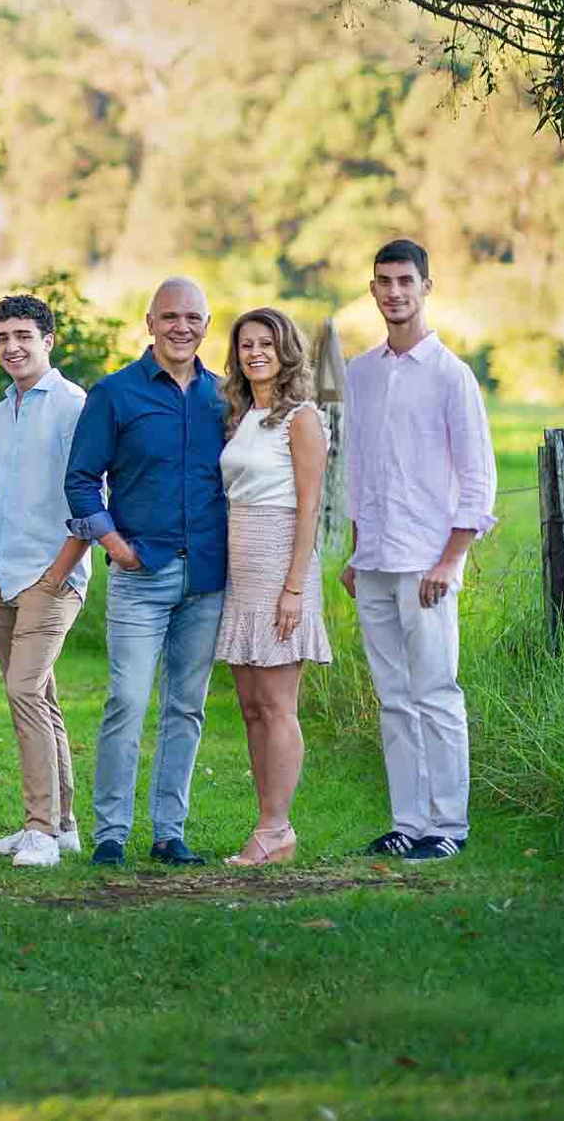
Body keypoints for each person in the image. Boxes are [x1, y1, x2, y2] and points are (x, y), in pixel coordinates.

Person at [340, 238, 495, 864]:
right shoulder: (361, 372)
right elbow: (358, 472)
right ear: (372, 289)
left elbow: (477, 479)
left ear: (426, 286)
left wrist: (451, 559)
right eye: (383, 281)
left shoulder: (451, 375)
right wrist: (355, 552)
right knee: (393, 697)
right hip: (374, 561)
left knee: (436, 692)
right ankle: (407, 820)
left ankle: (447, 826)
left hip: (428, 563)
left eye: (406, 280)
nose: (394, 291)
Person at [64, 276, 228, 867]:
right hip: (141, 575)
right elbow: (81, 480)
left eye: (193, 317)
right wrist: (117, 545)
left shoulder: (224, 396)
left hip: (207, 577)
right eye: (170, 316)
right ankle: (110, 832)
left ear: (206, 326)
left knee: (186, 706)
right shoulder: (115, 394)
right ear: (150, 322)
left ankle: (169, 832)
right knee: (128, 700)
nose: (181, 327)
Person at [212, 307, 331, 867]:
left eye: (266, 344)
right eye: (246, 345)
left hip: (282, 567)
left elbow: (310, 507)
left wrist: (294, 587)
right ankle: (269, 825)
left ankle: (276, 828)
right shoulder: (240, 415)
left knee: (279, 706)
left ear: (287, 351)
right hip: (242, 569)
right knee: (252, 706)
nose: (255, 353)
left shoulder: (301, 418)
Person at [0, 294, 91, 869]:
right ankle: (65, 824)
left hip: (52, 575)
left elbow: (92, 497)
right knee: (41, 696)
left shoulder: (74, 406)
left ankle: (40, 830)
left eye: (23, 335)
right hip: (0, 574)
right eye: (1, 338)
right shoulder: (3, 413)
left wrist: (58, 573)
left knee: (24, 691)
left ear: (49, 340)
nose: (12, 347)